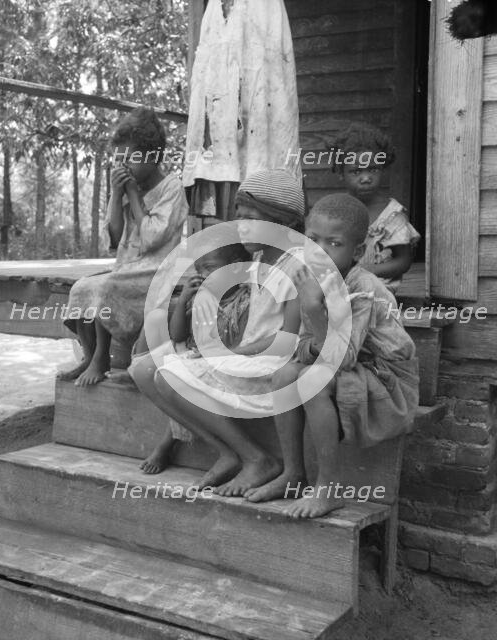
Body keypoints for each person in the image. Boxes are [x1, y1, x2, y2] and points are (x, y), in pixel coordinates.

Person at [130, 169, 305, 493]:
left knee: (169, 376)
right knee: (144, 370)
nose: (241, 225)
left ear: (285, 222)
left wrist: (233, 353)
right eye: (239, 216)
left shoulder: (296, 266)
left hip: (268, 367)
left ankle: (256, 457)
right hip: (244, 358)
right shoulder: (256, 263)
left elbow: (287, 338)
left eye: (252, 217)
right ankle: (228, 452)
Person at [245, 194, 419, 518]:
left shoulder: (362, 288)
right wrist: (308, 339)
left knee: (312, 379)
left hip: (388, 380)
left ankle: (329, 488)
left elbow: (344, 358)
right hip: (352, 367)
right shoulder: (311, 279)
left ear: (356, 252)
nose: (320, 250)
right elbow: (303, 344)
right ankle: (293, 474)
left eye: (334, 243)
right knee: (284, 375)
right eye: (312, 240)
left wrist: (313, 309)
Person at [58, 107, 188, 386]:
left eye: (131, 158)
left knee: (108, 287)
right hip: (128, 267)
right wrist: (117, 195)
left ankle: (102, 357)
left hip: (158, 269)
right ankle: (89, 354)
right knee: (81, 287)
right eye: (119, 159)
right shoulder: (128, 187)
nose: (124, 166)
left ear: (154, 157)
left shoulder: (172, 188)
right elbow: (115, 238)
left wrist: (131, 194)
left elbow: (153, 237)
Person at [123, 228, 251, 474]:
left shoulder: (243, 301)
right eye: (199, 269)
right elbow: (179, 334)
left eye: (210, 268)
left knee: (175, 376)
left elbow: (236, 348)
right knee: (148, 365)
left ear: (235, 267)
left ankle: (167, 442)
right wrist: (184, 302)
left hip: (221, 363)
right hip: (191, 353)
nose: (203, 275)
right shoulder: (202, 296)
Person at [183, 0, 301, 220]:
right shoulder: (214, 12)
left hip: (258, 103)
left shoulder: (266, 8)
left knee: (262, 135)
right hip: (219, 118)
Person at [332, 122, 420, 292]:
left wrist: (364, 272)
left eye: (373, 170)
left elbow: (403, 261)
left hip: (379, 291)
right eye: (356, 172)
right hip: (343, 287)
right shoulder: (336, 211)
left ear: (383, 169)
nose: (366, 178)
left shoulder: (392, 215)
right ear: (341, 173)